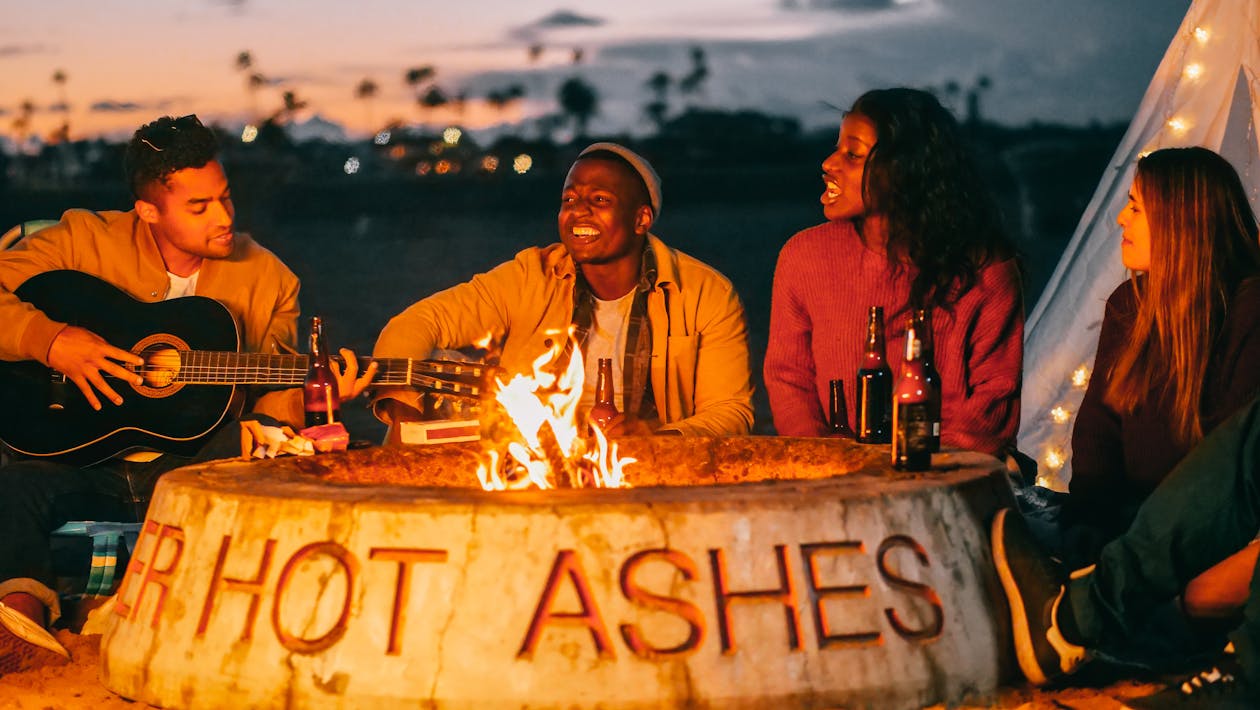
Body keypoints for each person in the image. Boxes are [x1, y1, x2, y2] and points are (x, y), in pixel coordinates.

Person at [0, 114, 372, 675]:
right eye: (199, 207)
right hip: (74, 457)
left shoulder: (271, 280)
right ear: (148, 210)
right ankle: (22, 623)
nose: (224, 218)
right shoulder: (80, 241)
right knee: (15, 484)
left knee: (256, 462)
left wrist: (311, 399)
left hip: (190, 466)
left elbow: (268, 400)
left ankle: (177, 617)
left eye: (225, 198)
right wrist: (51, 342)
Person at [372, 142, 753, 438]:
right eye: (569, 200)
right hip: (535, 465)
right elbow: (418, 323)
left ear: (641, 219)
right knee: (443, 366)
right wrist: (406, 423)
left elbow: (730, 411)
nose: (579, 211)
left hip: (649, 470)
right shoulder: (532, 275)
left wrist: (657, 435)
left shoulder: (706, 293)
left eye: (600, 200)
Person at [764, 87, 1022, 457]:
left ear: (906, 171)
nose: (828, 163)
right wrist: (827, 461)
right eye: (837, 148)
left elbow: (992, 404)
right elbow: (789, 379)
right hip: (833, 479)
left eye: (852, 154)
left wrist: (907, 473)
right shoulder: (804, 257)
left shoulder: (985, 272)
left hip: (946, 481)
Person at [1050, 147, 1260, 570]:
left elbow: (1226, 465)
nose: (1121, 220)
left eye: (1135, 207)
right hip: (1126, 523)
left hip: (1205, 541)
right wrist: (1089, 517)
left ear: (1179, 219)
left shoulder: (1248, 312)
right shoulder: (1130, 305)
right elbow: (1099, 427)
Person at [991, 394, 1260, 707]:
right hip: (1132, 527)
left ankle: (1243, 674)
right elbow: (1099, 433)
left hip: (1196, 572)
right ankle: (1074, 618)